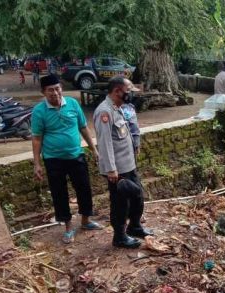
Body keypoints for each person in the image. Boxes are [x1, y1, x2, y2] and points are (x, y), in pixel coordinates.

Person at [31, 74, 103, 244]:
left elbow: (83, 128)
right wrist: (37, 163)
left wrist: (93, 149)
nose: (55, 93)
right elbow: (37, 138)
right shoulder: (39, 111)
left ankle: (86, 221)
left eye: (57, 88)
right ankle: (68, 227)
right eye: (50, 90)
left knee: (84, 188)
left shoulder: (72, 104)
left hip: (76, 155)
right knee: (59, 193)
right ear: (43, 92)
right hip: (53, 159)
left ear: (61, 89)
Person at [94, 76, 153, 249]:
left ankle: (135, 227)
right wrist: (111, 169)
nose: (130, 95)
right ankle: (119, 236)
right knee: (120, 203)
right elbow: (105, 143)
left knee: (138, 196)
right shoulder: (104, 112)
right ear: (117, 91)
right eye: (128, 91)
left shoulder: (118, 108)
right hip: (117, 170)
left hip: (129, 165)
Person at [121, 79, 141, 155]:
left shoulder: (114, 107)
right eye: (132, 92)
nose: (133, 94)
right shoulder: (128, 109)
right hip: (129, 145)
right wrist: (137, 144)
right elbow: (134, 127)